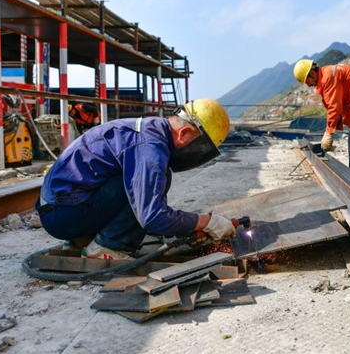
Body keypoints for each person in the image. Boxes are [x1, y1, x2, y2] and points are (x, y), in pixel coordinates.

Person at [36, 99, 238, 260]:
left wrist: (189, 224)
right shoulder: (150, 147)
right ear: (184, 133)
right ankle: (107, 247)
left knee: (142, 181)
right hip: (62, 215)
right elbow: (153, 218)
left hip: (59, 207)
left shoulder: (150, 130)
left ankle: (81, 239)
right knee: (147, 187)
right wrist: (206, 222)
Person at [293, 60, 350, 176]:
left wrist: (329, 133)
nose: (309, 85)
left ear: (312, 73)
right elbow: (338, 104)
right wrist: (333, 128)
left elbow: (334, 107)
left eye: (307, 81)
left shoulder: (328, 77)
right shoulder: (327, 74)